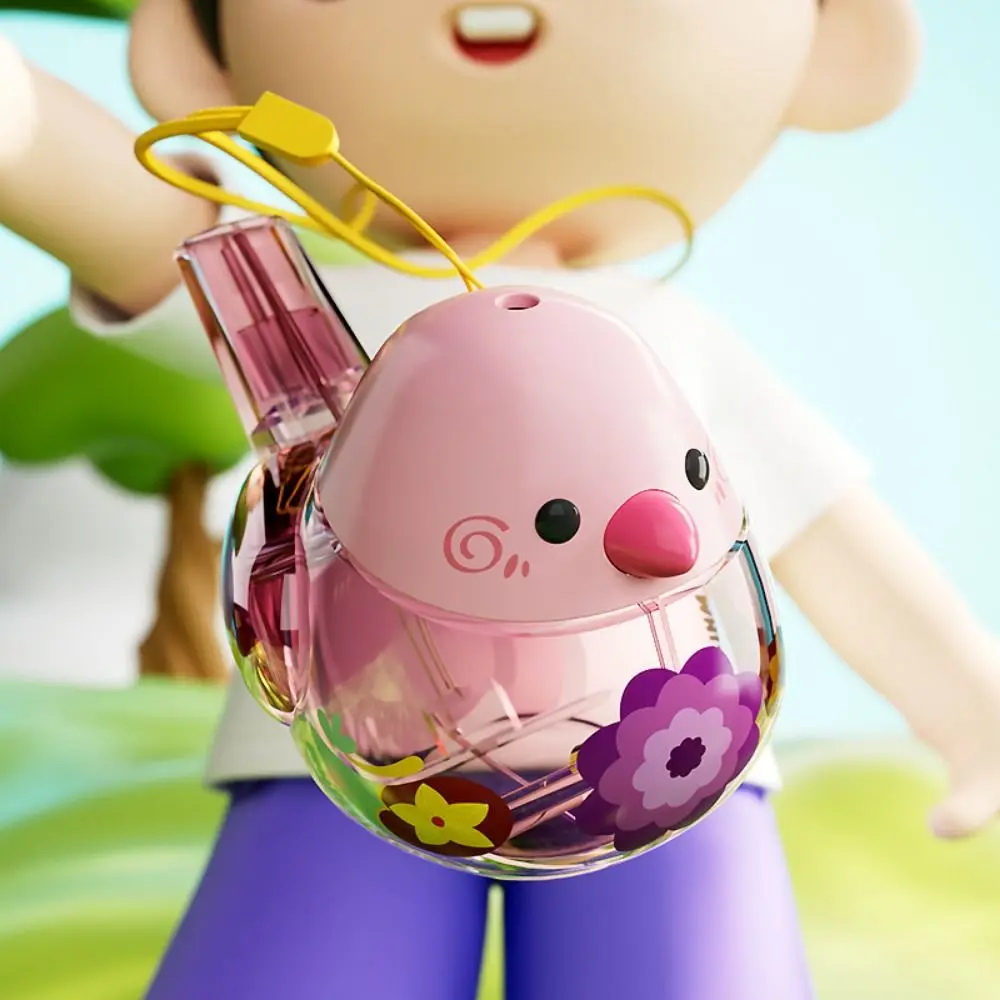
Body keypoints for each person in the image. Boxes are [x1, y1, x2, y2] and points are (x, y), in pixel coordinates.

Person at [2, 2, 999, 998]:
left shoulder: (667, 340)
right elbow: (118, 208)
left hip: (674, 762)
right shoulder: (297, 313)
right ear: (196, 47)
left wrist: (972, 711)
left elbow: (830, 535)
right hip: (346, 760)